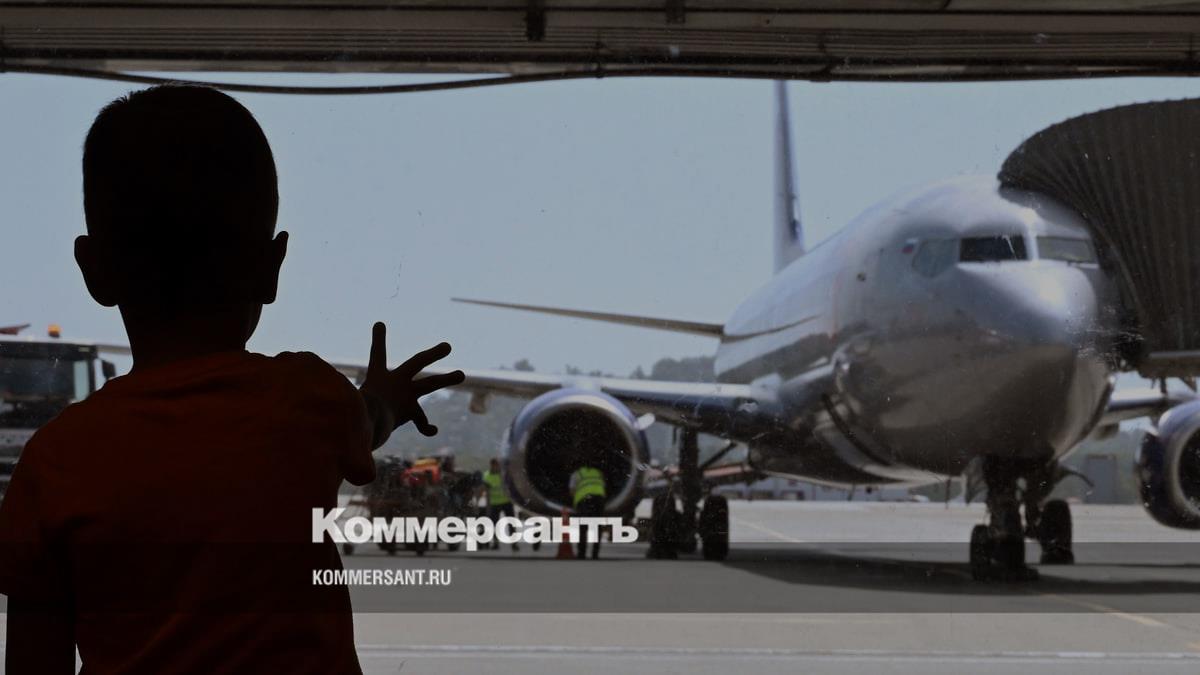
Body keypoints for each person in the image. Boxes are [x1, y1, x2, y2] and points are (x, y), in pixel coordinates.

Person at [0, 85, 464, 675]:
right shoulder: (307, 401)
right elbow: (367, 419)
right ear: (272, 268)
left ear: (93, 270)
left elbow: (33, 658)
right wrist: (387, 399)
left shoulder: (55, 460)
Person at [569, 464, 607, 560]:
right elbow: (603, 486)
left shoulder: (577, 474)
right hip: (599, 501)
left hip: (585, 501)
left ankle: (581, 554)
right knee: (597, 528)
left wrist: (575, 502)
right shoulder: (598, 473)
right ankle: (595, 554)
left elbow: (572, 489)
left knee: (583, 528)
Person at [480, 458, 518, 551]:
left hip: (506, 501)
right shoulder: (487, 476)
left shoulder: (504, 475)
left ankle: (514, 543)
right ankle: (496, 543)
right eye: (495, 465)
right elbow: (487, 493)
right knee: (494, 524)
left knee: (511, 523)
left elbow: (510, 486)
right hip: (495, 503)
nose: (497, 467)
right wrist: (488, 507)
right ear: (492, 465)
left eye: (498, 465)